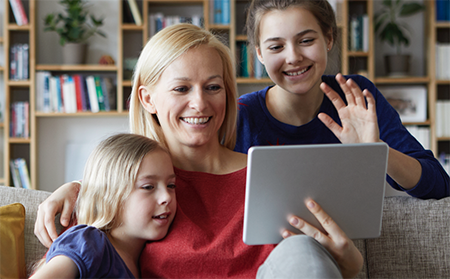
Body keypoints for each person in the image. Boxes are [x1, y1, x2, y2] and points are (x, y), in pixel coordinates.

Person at [34, 24, 363, 279]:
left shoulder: (273, 176)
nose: (200, 103)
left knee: (302, 248)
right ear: (148, 98)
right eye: (181, 88)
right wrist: (76, 188)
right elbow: (86, 250)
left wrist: (348, 263)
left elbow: (309, 265)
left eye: (213, 87)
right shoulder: (128, 191)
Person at [236, 0, 450, 199]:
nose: (293, 57)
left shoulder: (357, 95)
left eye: (306, 40)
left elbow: (440, 186)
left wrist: (376, 150)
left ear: (329, 39)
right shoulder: (241, 114)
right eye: (276, 47)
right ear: (260, 54)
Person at [30, 133, 176, 279]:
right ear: (110, 195)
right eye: (148, 187)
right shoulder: (90, 242)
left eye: (171, 185)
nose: (167, 197)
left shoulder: (144, 262)